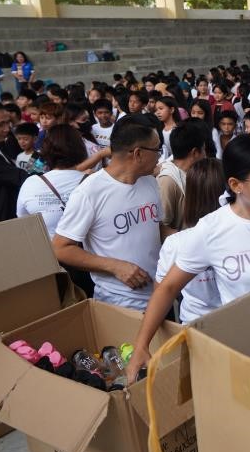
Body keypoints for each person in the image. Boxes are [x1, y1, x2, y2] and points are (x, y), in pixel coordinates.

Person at [125, 134, 250, 382]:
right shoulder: (212, 229)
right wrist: (141, 346)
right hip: (243, 352)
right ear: (236, 185)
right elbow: (167, 287)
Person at [53, 115, 168, 311]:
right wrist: (115, 266)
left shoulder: (148, 181)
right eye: (157, 149)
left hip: (160, 296)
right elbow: (61, 248)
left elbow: (157, 228)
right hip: (120, 304)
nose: (160, 156)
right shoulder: (90, 192)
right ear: (138, 153)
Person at [155, 158, 224, 325]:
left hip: (194, 326)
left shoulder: (175, 243)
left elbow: (160, 294)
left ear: (190, 196)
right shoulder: (242, 235)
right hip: (235, 322)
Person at [16, 124, 88, 238]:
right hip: (85, 253)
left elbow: (22, 220)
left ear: (45, 150)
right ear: (80, 148)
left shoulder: (30, 183)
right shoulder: (93, 182)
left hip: (44, 252)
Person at [157, 121, 207, 233]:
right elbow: (162, 227)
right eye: (203, 149)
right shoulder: (168, 180)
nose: (205, 155)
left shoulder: (195, 173)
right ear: (194, 152)